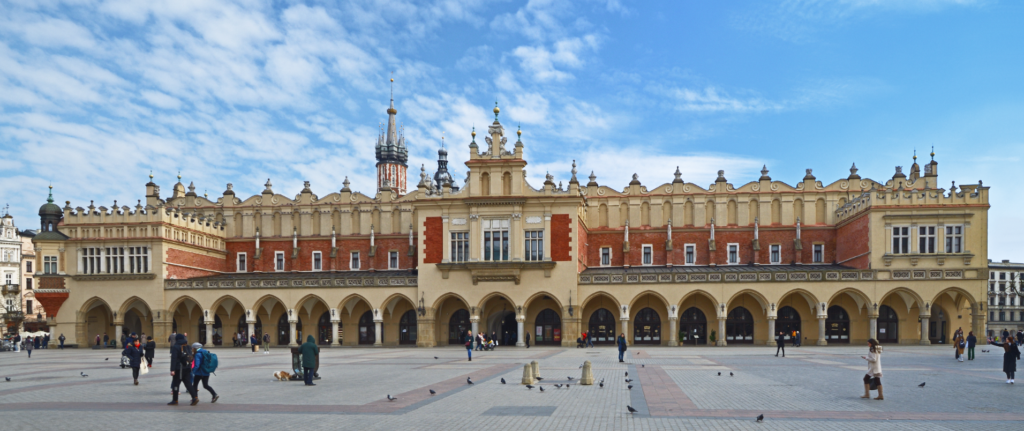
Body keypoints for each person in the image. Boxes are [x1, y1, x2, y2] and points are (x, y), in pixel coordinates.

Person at [169, 333, 198, 406]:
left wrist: (172, 370)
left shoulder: (176, 347)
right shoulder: (187, 346)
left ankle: (175, 400)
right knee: (188, 384)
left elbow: (174, 359)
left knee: (176, 384)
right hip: (187, 367)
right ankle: (195, 397)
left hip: (179, 368)